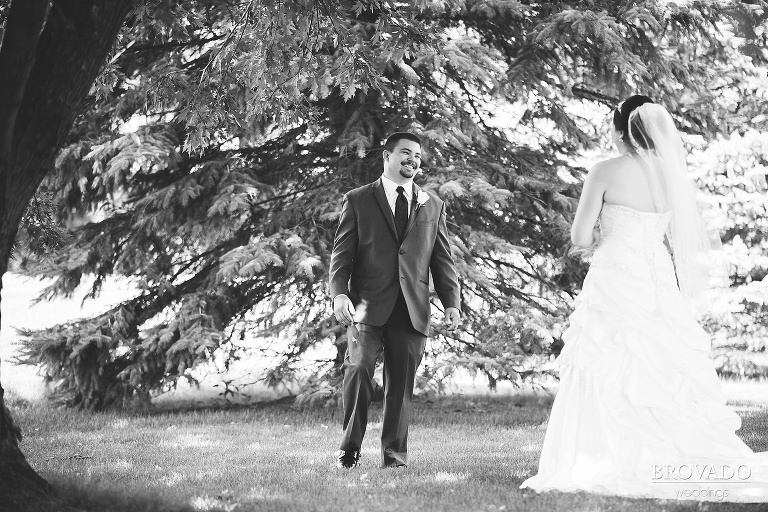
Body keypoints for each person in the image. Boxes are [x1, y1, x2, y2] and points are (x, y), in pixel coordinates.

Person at [520, 96, 768, 501]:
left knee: (608, 358)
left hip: (616, 274)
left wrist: (600, 234)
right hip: (656, 276)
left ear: (620, 130)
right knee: (663, 355)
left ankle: (603, 451)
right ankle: (674, 448)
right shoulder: (670, 175)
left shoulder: (604, 170)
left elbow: (580, 237)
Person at [329, 132, 461, 469]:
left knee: (400, 387)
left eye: (418, 155)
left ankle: (394, 457)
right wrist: (339, 293)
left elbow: (442, 260)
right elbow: (341, 255)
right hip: (367, 306)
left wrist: (452, 302)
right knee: (358, 369)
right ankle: (349, 448)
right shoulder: (358, 199)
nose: (413, 160)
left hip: (412, 309)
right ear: (387, 156)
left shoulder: (432, 204)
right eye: (406, 153)